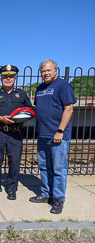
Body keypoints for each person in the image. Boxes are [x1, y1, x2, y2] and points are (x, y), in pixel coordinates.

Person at [29, 59, 76, 214]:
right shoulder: (40, 88)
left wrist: (60, 131)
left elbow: (68, 109)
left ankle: (58, 199)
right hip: (43, 134)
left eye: (49, 70)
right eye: (43, 71)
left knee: (58, 169)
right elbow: (40, 108)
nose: (46, 73)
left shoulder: (63, 86)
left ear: (56, 71)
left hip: (58, 136)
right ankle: (46, 194)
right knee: (44, 166)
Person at [0, 65, 32, 200]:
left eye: (11, 76)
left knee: (14, 161)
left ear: (15, 79)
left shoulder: (22, 94)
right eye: (5, 76)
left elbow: (30, 110)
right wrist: (1, 119)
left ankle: (12, 189)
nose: (8, 78)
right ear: (1, 78)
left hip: (15, 133)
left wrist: (22, 117)